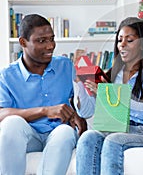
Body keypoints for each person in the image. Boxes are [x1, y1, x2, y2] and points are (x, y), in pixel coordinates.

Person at [0, 14, 93, 174]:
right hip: (29, 135)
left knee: (65, 132)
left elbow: (79, 104)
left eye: (52, 39)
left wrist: (76, 114)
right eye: (42, 41)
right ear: (23, 42)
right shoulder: (7, 75)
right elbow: (2, 114)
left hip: (59, 132)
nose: (50, 46)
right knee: (11, 123)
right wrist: (45, 110)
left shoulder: (66, 66)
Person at [76, 17, 143, 175]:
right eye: (119, 40)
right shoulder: (111, 75)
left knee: (114, 140)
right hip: (113, 128)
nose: (122, 45)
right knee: (88, 137)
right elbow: (85, 112)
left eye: (129, 40)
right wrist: (79, 82)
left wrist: (112, 98)